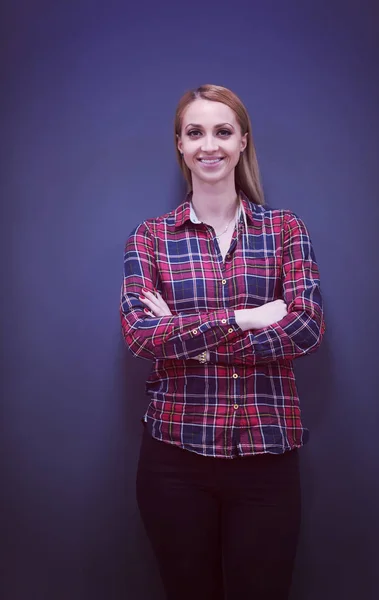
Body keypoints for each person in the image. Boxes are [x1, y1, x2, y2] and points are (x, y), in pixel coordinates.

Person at [120, 84, 325, 600]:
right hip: (174, 457)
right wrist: (248, 317)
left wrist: (191, 336)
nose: (209, 145)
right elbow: (142, 337)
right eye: (195, 133)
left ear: (242, 143)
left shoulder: (285, 231)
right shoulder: (150, 238)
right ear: (180, 146)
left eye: (222, 131)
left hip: (267, 456)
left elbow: (305, 328)